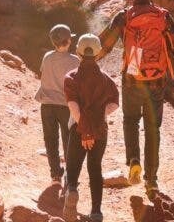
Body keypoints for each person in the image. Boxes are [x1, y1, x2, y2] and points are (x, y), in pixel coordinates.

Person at [96, 0, 174, 198]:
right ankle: (152, 180)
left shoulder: (124, 16)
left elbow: (104, 45)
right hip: (156, 81)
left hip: (131, 80)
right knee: (153, 128)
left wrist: (84, 60)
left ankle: (134, 160)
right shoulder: (163, 16)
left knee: (130, 120)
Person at [62, 33, 119, 222]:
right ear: (98, 54)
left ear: (78, 52)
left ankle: (72, 189)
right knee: (95, 168)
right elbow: (115, 103)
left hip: (78, 130)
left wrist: (85, 130)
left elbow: (74, 109)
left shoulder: (71, 78)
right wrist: (98, 118)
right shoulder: (106, 80)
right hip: (100, 131)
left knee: (73, 165)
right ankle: (96, 212)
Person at [35, 24, 80, 184]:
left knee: (50, 139)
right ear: (68, 41)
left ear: (53, 42)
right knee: (68, 139)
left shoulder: (47, 57)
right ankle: (69, 175)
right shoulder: (75, 61)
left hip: (46, 104)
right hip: (65, 106)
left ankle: (55, 174)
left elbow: (43, 74)